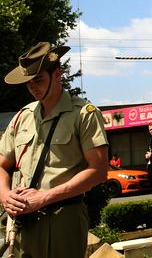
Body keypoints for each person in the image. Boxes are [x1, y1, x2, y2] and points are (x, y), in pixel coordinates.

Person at [0, 42, 109, 258]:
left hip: (62, 219)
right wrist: (5, 195)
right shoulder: (22, 117)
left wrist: (44, 197)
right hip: (21, 223)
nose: (33, 87)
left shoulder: (84, 114)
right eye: (28, 82)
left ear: (57, 74)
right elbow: (1, 165)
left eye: (38, 80)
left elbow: (98, 170)